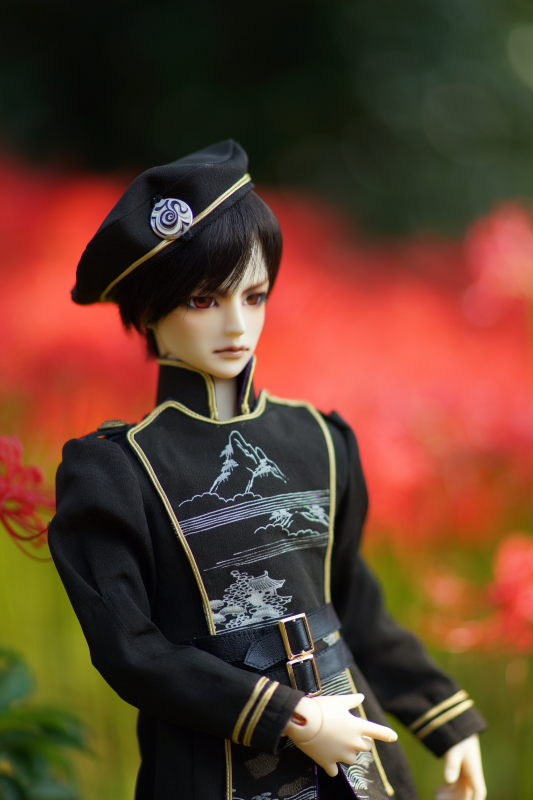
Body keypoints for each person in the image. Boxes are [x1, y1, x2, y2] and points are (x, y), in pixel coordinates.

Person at [49, 140, 487, 800]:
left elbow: (355, 607)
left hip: (357, 759)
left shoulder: (320, 440)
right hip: (210, 768)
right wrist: (290, 717)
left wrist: (447, 722)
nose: (236, 326)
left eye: (253, 296)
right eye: (203, 300)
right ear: (148, 309)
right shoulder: (116, 473)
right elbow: (131, 651)